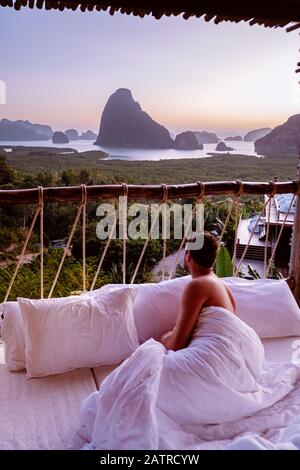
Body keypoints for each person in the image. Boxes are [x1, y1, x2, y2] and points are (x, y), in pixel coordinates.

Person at [160, 231, 236, 351]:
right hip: (227, 351)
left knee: (149, 353)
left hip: (210, 353)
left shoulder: (196, 285)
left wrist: (163, 339)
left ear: (188, 256)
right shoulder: (224, 287)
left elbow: (177, 344)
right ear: (214, 259)